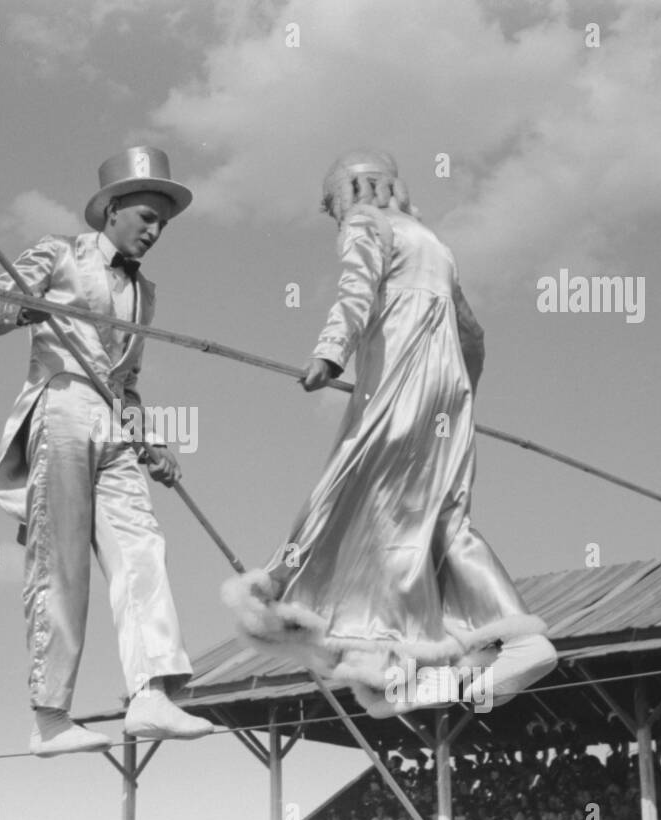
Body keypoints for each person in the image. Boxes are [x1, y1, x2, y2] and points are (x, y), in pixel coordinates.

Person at [222, 148, 557, 718]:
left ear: (349, 193)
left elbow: (355, 290)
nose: (337, 219)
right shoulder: (433, 241)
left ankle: (389, 654)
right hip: (448, 394)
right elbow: (472, 334)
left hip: (400, 386)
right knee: (443, 519)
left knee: (354, 500)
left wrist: (330, 355)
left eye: (333, 208)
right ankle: (520, 640)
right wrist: (459, 396)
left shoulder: (364, 223)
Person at [0, 147, 214, 756]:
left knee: (142, 549)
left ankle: (152, 693)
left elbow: (126, 380)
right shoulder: (59, 252)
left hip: (113, 422)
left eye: (164, 223)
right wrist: (20, 305)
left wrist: (150, 440)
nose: (156, 232)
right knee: (63, 564)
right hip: (62, 406)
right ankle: (51, 716)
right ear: (111, 209)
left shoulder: (144, 294)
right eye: (147, 218)